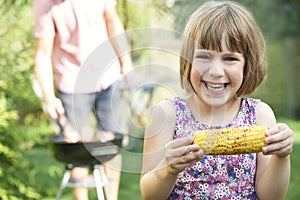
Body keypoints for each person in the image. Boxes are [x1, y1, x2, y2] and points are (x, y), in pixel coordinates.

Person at [140, 1, 294, 199]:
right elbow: (150, 196)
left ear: (247, 65)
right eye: (204, 56)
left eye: (230, 59)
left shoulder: (259, 115)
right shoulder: (167, 115)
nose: (215, 72)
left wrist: (282, 156)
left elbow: (270, 196)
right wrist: (167, 170)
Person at [32, 0, 132, 199]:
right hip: (72, 82)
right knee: (77, 148)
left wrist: (126, 62)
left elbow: (112, 22)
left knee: (111, 147)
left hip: (107, 76)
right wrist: (48, 97)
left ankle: (111, 198)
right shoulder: (45, 5)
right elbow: (42, 54)